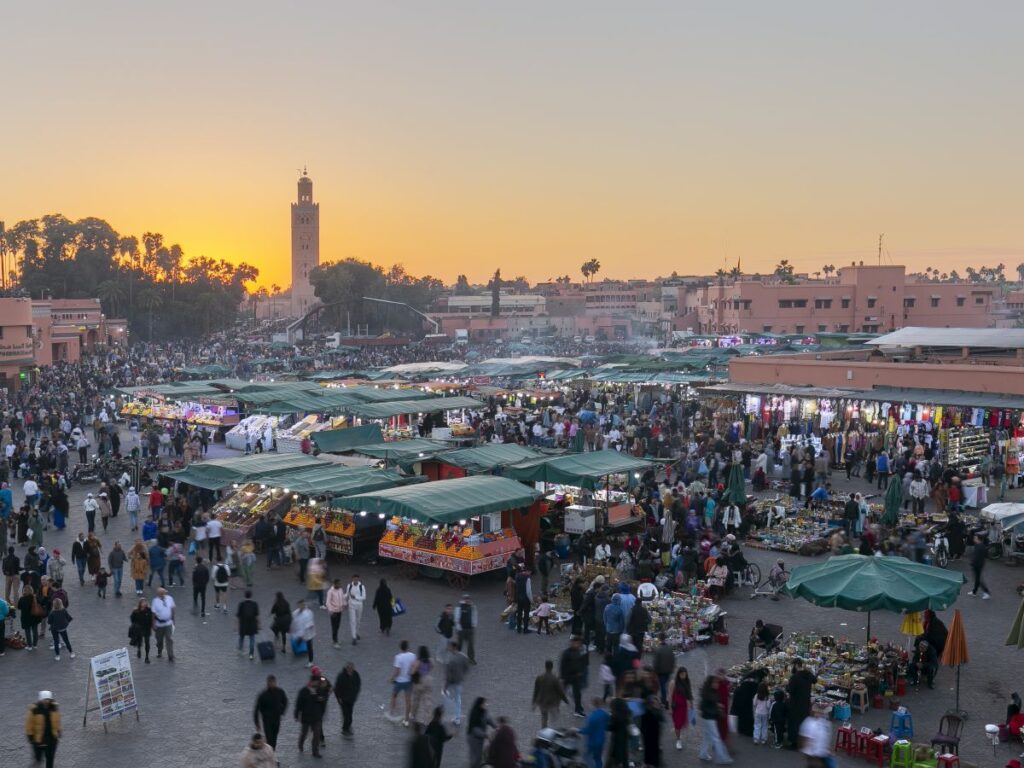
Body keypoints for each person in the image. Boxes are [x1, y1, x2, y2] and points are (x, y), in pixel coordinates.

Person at [697, 675, 733, 764]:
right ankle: (722, 758)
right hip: (709, 718)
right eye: (715, 682)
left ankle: (703, 753)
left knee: (707, 737)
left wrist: (717, 705)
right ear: (710, 683)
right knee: (716, 737)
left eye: (717, 682)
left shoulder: (711, 692)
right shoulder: (708, 693)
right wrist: (717, 706)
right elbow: (706, 705)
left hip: (709, 717)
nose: (717, 684)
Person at [294, 670, 328, 758]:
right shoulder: (304, 691)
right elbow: (299, 704)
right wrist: (296, 714)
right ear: (311, 682)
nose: (316, 683)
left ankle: (315, 751)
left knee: (316, 735)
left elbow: (324, 701)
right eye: (315, 682)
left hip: (316, 717)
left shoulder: (320, 690)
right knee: (304, 733)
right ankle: (301, 744)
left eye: (317, 682)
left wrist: (322, 712)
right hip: (306, 717)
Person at [25, 691, 61, 768]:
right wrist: (30, 736)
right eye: (45, 699)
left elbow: (57, 721)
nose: (47, 701)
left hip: (51, 740)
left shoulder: (54, 708)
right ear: (41, 700)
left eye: (48, 699)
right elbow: (29, 724)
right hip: (39, 740)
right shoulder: (34, 710)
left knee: (50, 759)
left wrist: (59, 731)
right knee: (38, 759)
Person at [786, 658, 815, 749]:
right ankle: (803, 742)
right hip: (805, 703)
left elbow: (790, 691)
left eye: (792, 665)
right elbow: (815, 680)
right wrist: (810, 672)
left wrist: (786, 687)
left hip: (795, 704)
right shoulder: (808, 674)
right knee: (803, 723)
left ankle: (794, 744)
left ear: (796, 665)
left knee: (794, 724)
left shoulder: (794, 677)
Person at [254, 675, 289, 751]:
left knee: (274, 739)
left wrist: (282, 711)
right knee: (270, 739)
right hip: (267, 720)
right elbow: (257, 709)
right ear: (267, 683)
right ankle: (272, 757)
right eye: (269, 682)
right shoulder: (263, 695)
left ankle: (271, 753)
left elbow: (285, 701)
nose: (271, 684)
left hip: (277, 719)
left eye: (272, 682)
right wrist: (257, 722)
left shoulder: (280, 692)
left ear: (275, 683)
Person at [388, 639, 418, 726]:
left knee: (394, 696)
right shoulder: (413, 656)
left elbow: (397, 671)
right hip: (409, 681)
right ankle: (406, 719)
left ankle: (392, 713)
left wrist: (391, 678)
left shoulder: (398, 657)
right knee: (408, 700)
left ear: (400, 647)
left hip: (399, 682)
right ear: (408, 647)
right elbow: (414, 667)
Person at [532, 658, 568, 728]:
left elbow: (536, 690)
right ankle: (553, 731)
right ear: (552, 667)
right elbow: (560, 691)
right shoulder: (555, 678)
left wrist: (534, 702)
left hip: (542, 702)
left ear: (545, 666)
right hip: (552, 702)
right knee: (555, 717)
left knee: (544, 717)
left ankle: (544, 731)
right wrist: (565, 700)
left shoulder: (539, 678)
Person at [559, 635, 588, 717]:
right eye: (577, 643)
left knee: (577, 693)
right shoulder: (567, 653)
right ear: (572, 643)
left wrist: (580, 672)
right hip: (568, 676)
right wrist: (562, 677)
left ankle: (578, 709)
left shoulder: (578, 651)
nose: (578, 645)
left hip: (576, 677)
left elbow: (580, 663)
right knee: (562, 691)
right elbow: (562, 665)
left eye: (579, 643)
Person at [577, 697, 610, 768]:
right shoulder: (604, 714)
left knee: (586, 756)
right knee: (598, 758)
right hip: (602, 740)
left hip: (592, 741)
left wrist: (577, 730)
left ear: (593, 705)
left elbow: (587, 730)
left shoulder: (592, 717)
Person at [443, 639, 470, 725]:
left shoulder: (451, 660)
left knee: (454, 698)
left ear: (454, 647)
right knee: (458, 699)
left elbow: (448, 675)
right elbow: (466, 668)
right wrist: (462, 675)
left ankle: (456, 716)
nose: (448, 648)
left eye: (450, 646)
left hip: (452, 682)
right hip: (459, 681)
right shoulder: (464, 657)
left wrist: (445, 686)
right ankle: (457, 717)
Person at [466, 698, 495, 768]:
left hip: (480, 738)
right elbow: (475, 730)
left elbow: (488, 719)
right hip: (473, 739)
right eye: (484, 704)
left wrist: (496, 726)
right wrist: (486, 735)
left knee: (479, 756)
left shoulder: (484, 711)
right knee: (475, 757)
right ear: (480, 705)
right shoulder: (475, 714)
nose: (486, 705)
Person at [334, 660, 361, 736]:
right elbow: (337, 688)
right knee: (346, 715)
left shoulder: (355, 674)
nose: (350, 669)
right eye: (349, 668)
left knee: (350, 714)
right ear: (346, 668)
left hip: (351, 699)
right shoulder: (341, 676)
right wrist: (339, 698)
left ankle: (348, 726)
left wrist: (355, 695)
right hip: (344, 700)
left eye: (352, 668)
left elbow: (358, 684)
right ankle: (345, 729)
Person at [411, 645, 436, 725]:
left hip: (419, 681)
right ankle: (428, 719)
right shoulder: (430, 660)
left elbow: (413, 672)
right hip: (428, 680)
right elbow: (432, 667)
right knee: (427, 701)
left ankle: (413, 715)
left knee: (416, 700)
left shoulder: (418, 662)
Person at [670, 667, 694, 750]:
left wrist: (691, 705)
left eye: (684, 674)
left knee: (681, 722)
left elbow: (689, 693)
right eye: (681, 674)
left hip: (683, 706)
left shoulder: (687, 682)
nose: (683, 676)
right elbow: (669, 696)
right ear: (678, 674)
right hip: (675, 707)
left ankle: (678, 733)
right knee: (677, 724)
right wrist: (669, 708)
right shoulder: (674, 683)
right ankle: (678, 739)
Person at [290, 598, 316, 668]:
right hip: (299, 633)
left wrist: (307, 629)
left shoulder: (308, 613)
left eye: (302, 605)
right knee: (299, 643)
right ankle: (299, 650)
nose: (301, 606)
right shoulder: (295, 613)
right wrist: (292, 629)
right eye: (299, 605)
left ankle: (311, 661)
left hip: (307, 634)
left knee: (309, 646)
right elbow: (293, 622)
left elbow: (310, 623)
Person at [152, 587, 175, 662]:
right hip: (159, 624)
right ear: (158, 594)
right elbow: (153, 613)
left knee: (169, 638)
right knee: (159, 639)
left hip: (168, 623)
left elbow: (172, 609)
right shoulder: (155, 601)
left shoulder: (170, 598)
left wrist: (173, 619)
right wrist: (153, 624)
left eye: (163, 593)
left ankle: (170, 655)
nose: (163, 595)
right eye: (161, 594)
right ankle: (159, 649)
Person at [640, 695, 664, 768]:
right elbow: (643, 725)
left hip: (654, 734)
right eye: (654, 703)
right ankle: (647, 763)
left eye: (656, 703)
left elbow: (661, 719)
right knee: (648, 748)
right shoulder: (646, 712)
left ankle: (653, 763)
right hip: (647, 734)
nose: (656, 704)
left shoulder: (657, 712)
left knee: (654, 748)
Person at [237, 589, 260, 660]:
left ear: (245, 596)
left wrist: (237, 625)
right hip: (252, 624)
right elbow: (257, 615)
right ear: (251, 596)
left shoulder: (241, 604)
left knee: (241, 637)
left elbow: (238, 615)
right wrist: (259, 624)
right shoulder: (254, 604)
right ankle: (251, 654)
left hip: (243, 624)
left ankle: (240, 651)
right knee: (252, 639)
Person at [454, 594, 477, 663]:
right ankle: (457, 658)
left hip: (470, 629)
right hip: (461, 629)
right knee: (459, 645)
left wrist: (474, 625)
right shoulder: (459, 607)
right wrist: (459, 628)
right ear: (463, 600)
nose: (467, 600)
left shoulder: (473, 607)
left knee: (471, 645)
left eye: (468, 599)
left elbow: (475, 616)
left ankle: (471, 658)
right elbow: (456, 618)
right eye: (466, 599)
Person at [129, 598, 154, 663]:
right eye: (143, 602)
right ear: (140, 604)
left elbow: (151, 619)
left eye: (145, 602)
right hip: (139, 629)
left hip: (147, 629)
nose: (144, 604)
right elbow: (132, 619)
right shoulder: (136, 611)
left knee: (147, 642)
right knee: (139, 641)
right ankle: (139, 649)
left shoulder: (149, 610)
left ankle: (147, 657)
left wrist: (151, 626)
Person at [18, 585, 41, 651]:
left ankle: (29, 646)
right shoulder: (35, 597)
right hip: (34, 617)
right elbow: (40, 604)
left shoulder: (22, 599)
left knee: (27, 632)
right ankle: (35, 645)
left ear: (24, 591)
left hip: (26, 618)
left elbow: (19, 607)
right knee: (35, 631)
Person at [345, 573, 366, 645]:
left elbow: (364, 597)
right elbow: (347, 594)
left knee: (358, 620)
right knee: (352, 621)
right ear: (352, 579)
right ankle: (353, 637)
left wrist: (356, 597)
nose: (355, 580)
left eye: (356, 579)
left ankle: (357, 632)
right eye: (354, 579)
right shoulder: (349, 586)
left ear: (358, 579)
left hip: (359, 605)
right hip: (351, 605)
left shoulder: (362, 587)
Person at [326, 578, 347, 648]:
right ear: (335, 584)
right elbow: (328, 602)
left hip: (339, 611)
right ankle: (335, 641)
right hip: (334, 612)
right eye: (339, 584)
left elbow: (343, 598)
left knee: (337, 626)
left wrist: (345, 604)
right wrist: (331, 611)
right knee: (334, 627)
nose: (340, 585)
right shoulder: (330, 591)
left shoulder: (340, 590)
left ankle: (336, 639)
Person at [969, 534, 991, 598]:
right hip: (978, 565)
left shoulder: (980, 546)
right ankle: (974, 592)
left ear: (978, 539)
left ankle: (986, 592)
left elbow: (977, 557)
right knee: (977, 579)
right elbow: (986, 556)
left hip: (978, 565)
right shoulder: (978, 545)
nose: (974, 539)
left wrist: (973, 563)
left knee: (978, 580)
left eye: (975, 538)